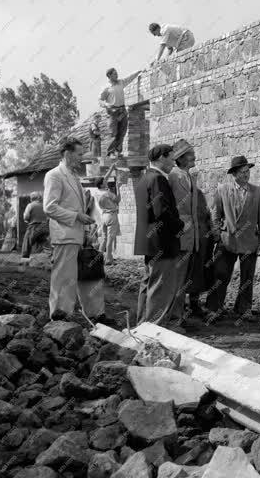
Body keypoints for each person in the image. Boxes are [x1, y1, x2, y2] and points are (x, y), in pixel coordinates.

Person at [43, 136, 107, 321]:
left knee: (89, 274)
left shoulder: (73, 176)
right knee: (65, 278)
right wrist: (76, 217)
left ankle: (96, 315)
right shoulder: (54, 175)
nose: (81, 158)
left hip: (79, 235)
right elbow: (49, 207)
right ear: (67, 153)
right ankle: (60, 318)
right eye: (79, 154)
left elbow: (77, 206)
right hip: (65, 235)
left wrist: (86, 228)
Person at [205, 155, 260, 322]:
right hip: (227, 239)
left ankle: (243, 309)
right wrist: (218, 233)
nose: (246, 175)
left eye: (247, 171)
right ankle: (214, 308)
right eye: (242, 172)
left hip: (249, 240)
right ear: (234, 174)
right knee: (221, 274)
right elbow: (215, 214)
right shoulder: (223, 190)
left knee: (247, 277)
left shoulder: (257, 192)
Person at [134, 145, 184, 326]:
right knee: (160, 287)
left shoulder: (144, 178)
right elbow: (161, 211)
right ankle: (154, 330)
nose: (173, 163)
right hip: (162, 242)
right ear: (161, 158)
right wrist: (180, 225)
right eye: (171, 158)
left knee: (148, 284)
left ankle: (141, 325)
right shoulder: (157, 179)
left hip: (151, 243)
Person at [168, 139, 210, 321]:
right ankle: (174, 317)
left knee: (188, 276)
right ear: (182, 158)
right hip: (180, 234)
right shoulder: (174, 176)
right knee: (177, 278)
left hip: (192, 236)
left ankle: (181, 314)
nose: (195, 157)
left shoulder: (189, 177)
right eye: (191, 154)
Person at [99, 67, 142, 159]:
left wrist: (138, 71)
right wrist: (106, 105)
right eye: (114, 74)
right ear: (109, 76)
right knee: (113, 133)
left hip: (122, 111)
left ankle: (118, 152)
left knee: (122, 132)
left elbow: (129, 78)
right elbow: (100, 100)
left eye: (116, 73)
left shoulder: (121, 82)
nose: (117, 75)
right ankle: (110, 152)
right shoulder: (106, 88)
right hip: (113, 113)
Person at [95, 162, 119, 265]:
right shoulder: (107, 193)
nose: (106, 181)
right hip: (111, 216)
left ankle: (100, 258)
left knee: (104, 238)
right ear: (102, 184)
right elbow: (118, 200)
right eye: (104, 182)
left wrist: (111, 168)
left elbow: (105, 178)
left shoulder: (97, 192)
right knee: (110, 238)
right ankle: (109, 259)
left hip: (103, 216)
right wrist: (118, 187)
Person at [21, 192, 48, 258]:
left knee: (26, 242)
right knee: (45, 243)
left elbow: (26, 216)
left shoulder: (30, 205)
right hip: (45, 227)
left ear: (31, 198)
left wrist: (26, 220)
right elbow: (48, 216)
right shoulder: (44, 205)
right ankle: (52, 258)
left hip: (34, 226)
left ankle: (25, 259)